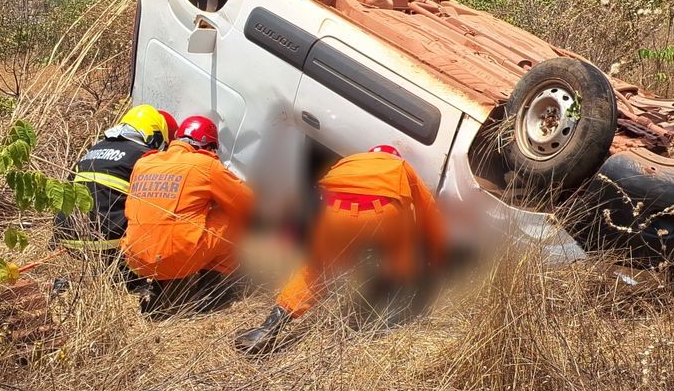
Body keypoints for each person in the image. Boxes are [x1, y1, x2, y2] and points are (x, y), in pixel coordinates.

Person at [236, 144, 446, 355]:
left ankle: (267, 327)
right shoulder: (401, 166)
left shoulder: (349, 161)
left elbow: (317, 194)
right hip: (381, 212)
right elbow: (429, 211)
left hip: (333, 211)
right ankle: (387, 325)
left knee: (316, 271)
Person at [121, 115, 253, 309]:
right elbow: (246, 203)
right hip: (176, 258)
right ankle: (212, 291)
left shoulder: (144, 163)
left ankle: (159, 285)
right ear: (208, 146)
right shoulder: (205, 165)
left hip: (136, 258)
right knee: (232, 216)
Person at [53, 105, 173, 258]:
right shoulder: (145, 157)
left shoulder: (94, 149)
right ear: (154, 137)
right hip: (106, 242)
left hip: (65, 237)